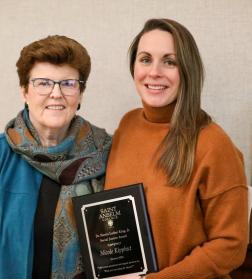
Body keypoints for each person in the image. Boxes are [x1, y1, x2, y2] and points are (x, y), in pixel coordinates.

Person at [0, 35, 111, 278]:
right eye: (43, 83)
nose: (56, 94)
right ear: (25, 91)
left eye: (68, 83)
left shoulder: (107, 154)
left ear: (80, 93)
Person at [105, 18, 248, 278]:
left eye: (170, 61)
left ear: (187, 70)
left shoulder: (214, 144)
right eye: (145, 59)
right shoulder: (127, 125)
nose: (154, 72)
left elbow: (231, 246)